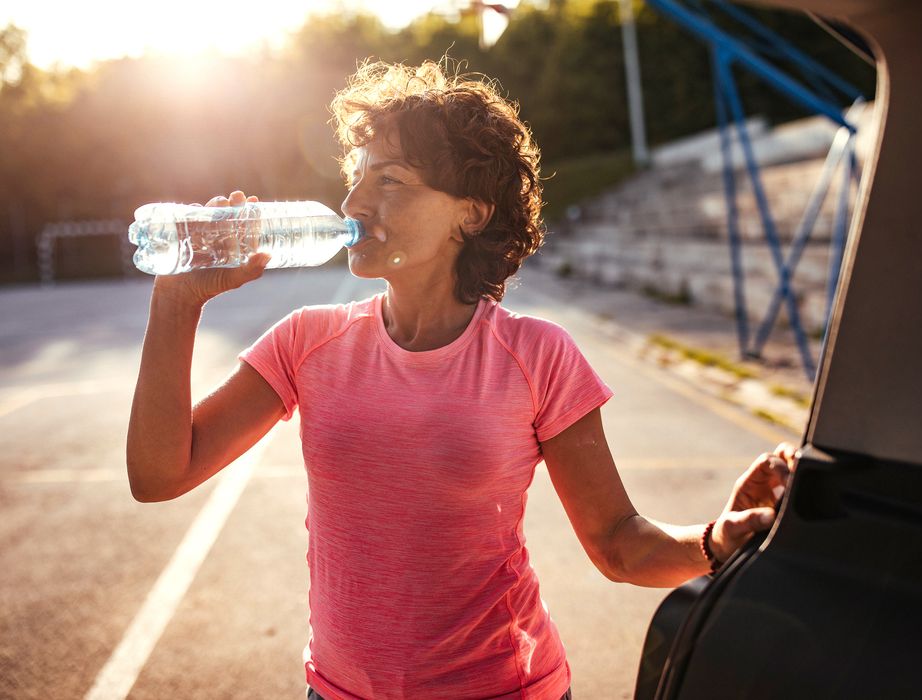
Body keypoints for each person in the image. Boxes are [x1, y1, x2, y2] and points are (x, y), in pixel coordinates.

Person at [127, 60, 796, 700]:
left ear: (470, 212)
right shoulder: (307, 340)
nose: (355, 199)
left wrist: (719, 542)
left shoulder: (538, 355)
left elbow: (620, 545)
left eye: (390, 180)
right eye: (357, 175)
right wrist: (177, 303)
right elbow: (159, 474)